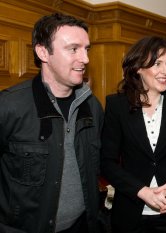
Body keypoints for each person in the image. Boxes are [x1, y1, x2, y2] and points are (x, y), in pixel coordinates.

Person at [0, 13, 104, 233]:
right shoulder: (9, 106)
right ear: (43, 52)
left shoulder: (92, 106)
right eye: (73, 49)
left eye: (87, 49)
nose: (85, 59)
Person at [100, 36, 166, 233]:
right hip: (130, 214)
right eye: (158, 64)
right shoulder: (117, 105)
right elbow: (107, 163)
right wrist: (142, 191)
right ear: (138, 67)